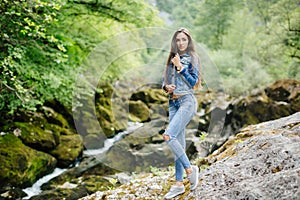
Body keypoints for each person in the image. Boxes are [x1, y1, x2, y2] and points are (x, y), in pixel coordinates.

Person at [162, 28, 201, 199]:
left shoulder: (193, 58)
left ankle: (191, 170)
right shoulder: (171, 58)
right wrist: (166, 87)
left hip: (187, 101)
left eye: (184, 39)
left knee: (169, 136)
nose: (180, 43)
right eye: (178, 40)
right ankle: (178, 184)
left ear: (189, 41)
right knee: (178, 142)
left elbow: (193, 82)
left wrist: (181, 67)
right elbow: (164, 82)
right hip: (173, 103)